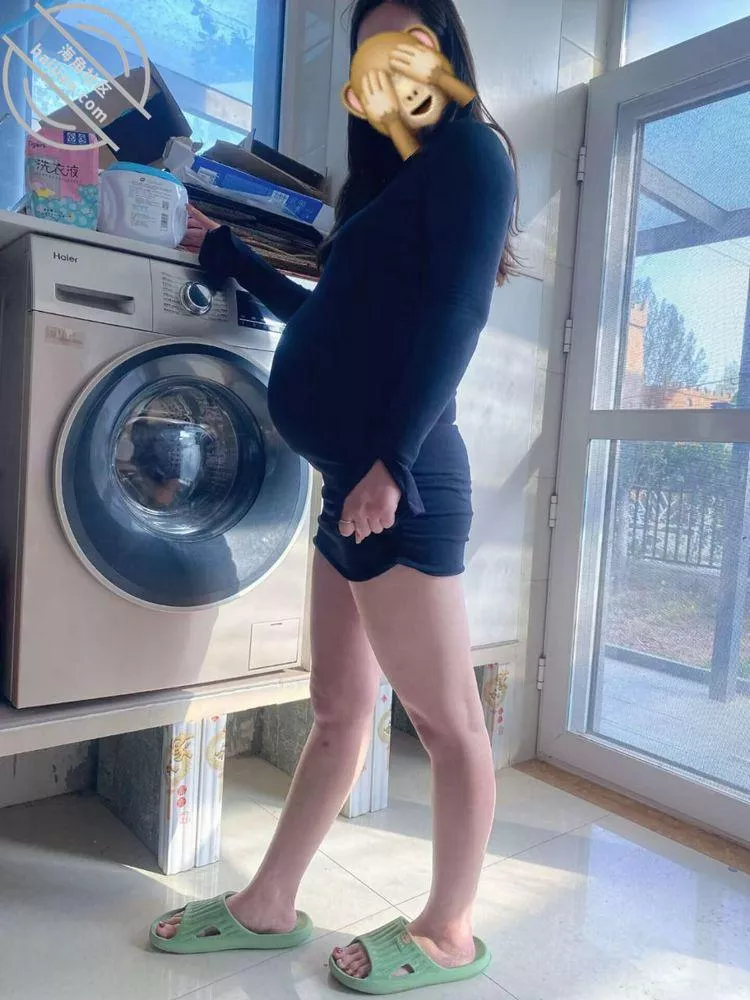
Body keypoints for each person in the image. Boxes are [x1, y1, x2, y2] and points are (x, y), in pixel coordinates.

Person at [151, 0, 518, 993]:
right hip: (350, 483)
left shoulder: (474, 153)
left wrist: (391, 463)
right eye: (372, 45)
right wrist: (234, 257)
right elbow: (327, 319)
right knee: (338, 707)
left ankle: (449, 930)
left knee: (445, 722)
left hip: (400, 485)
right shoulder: (384, 189)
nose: (394, 59)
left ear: (445, 52)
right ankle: (269, 903)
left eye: (414, 37)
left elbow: (460, 311)